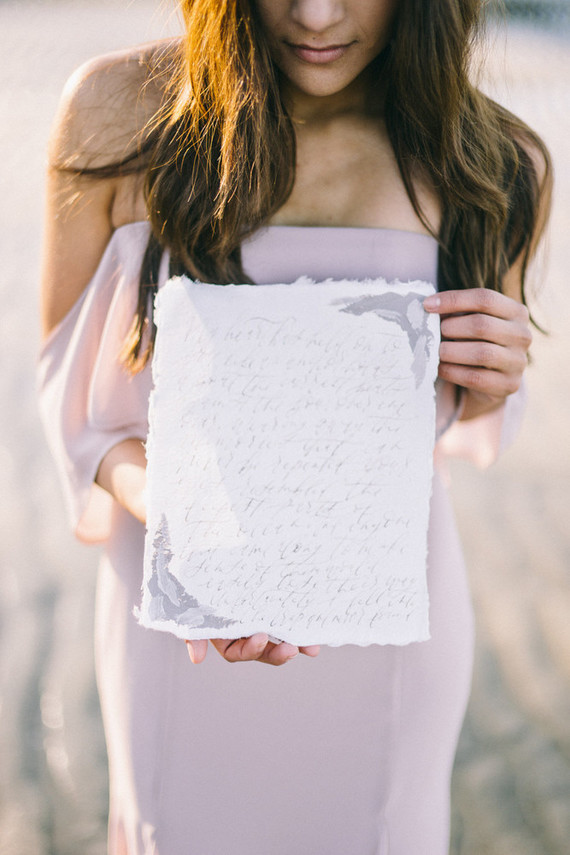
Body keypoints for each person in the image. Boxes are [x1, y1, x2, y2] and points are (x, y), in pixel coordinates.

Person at [38, 1, 551, 853]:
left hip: (386, 634)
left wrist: (497, 373)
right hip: (184, 613)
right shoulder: (117, 112)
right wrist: (183, 518)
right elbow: (69, 401)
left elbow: (457, 425)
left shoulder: (497, 160)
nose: (315, 16)